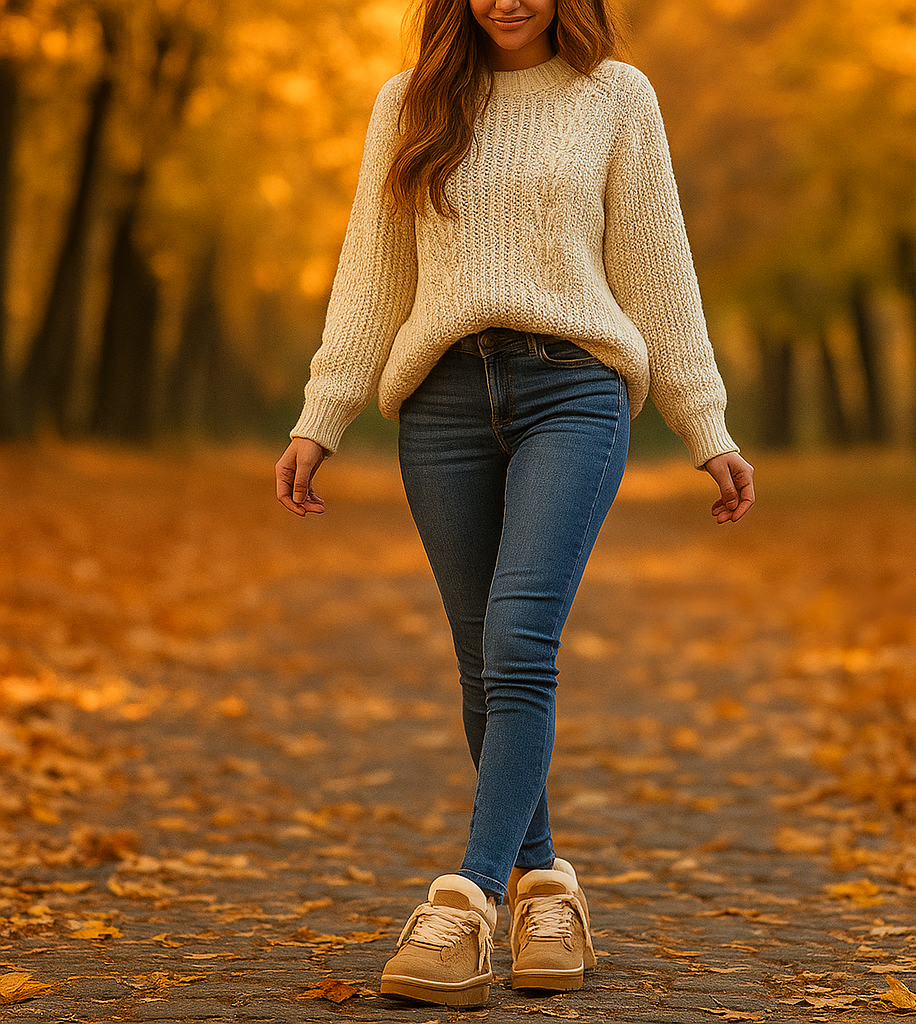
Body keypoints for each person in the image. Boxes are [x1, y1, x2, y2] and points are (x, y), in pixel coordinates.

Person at [275, 0, 754, 1009]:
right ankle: (547, 889)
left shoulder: (616, 97)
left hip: (573, 390)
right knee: (479, 660)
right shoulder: (409, 102)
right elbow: (373, 271)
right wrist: (324, 413)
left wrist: (704, 424)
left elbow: (657, 271)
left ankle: (467, 900)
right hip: (441, 402)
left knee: (519, 640)